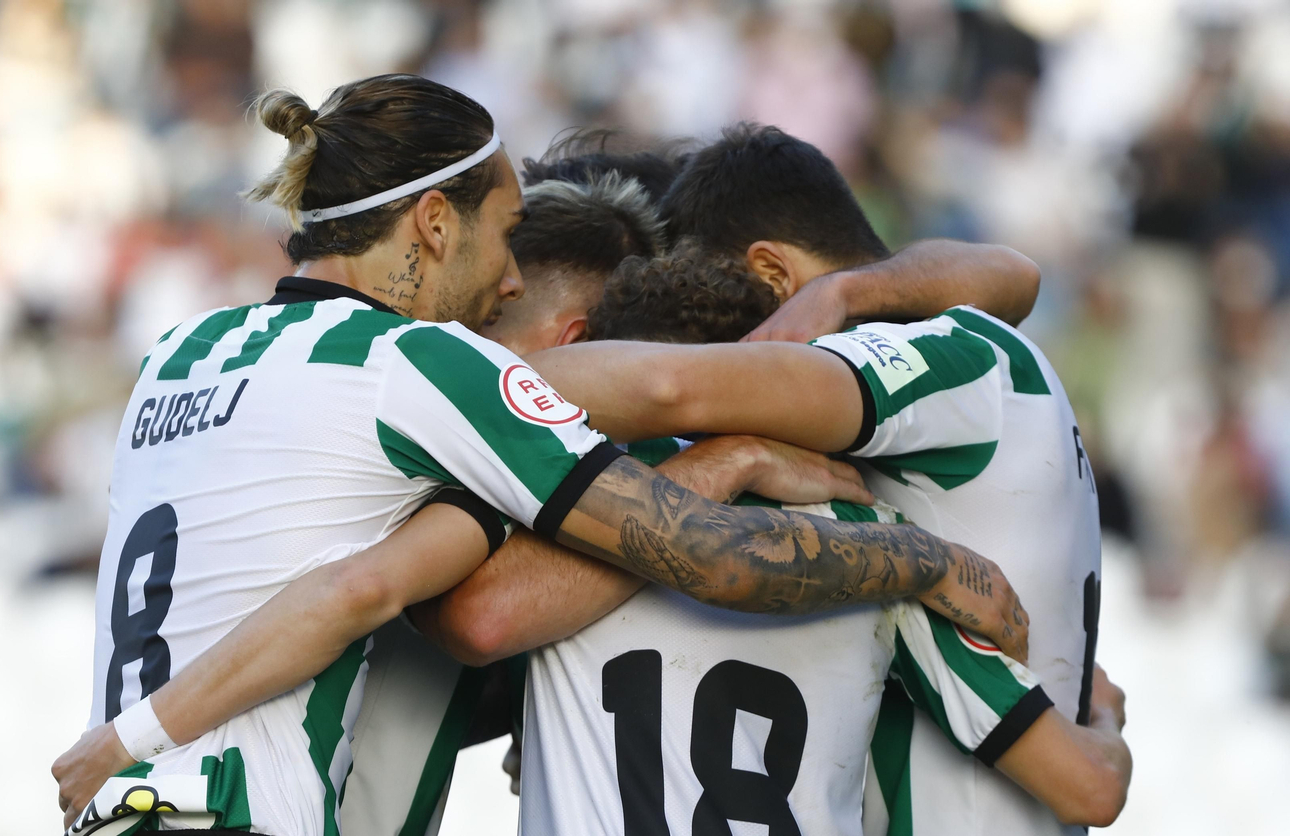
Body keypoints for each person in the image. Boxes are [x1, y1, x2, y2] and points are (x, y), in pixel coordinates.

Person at [56, 75, 1022, 836]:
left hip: (123, 806)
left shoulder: (175, 357)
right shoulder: (422, 369)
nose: (509, 274)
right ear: (436, 224)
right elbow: (711, 551)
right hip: (248, 812)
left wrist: (132, 739)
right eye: (505, 234)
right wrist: (922, 558)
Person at [527, 123, 1121, 835]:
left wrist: (456, 374)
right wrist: (1103, 714)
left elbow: (666, 386)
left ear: (774, 275)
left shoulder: (940, 369)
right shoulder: (877, 536)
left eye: (746, 335)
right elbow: (1009, 275)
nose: (739, 347)